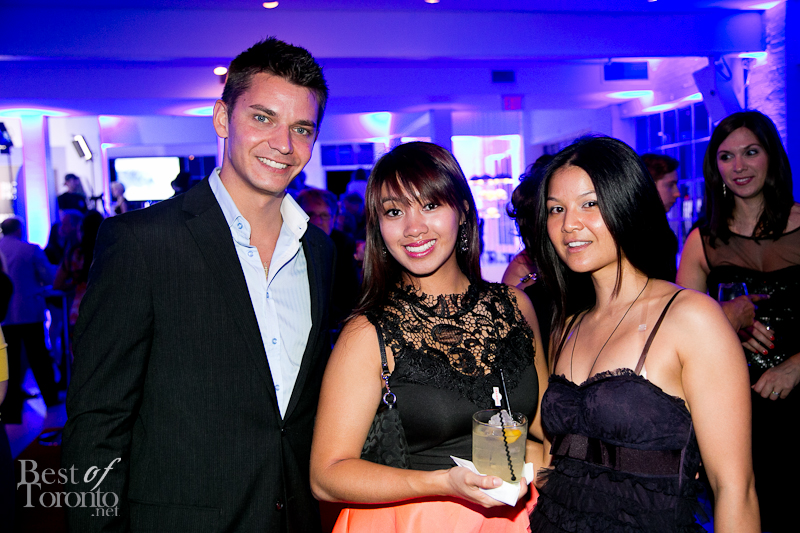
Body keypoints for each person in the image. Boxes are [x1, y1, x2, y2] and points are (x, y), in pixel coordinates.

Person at [61, 37, 335, 532]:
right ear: (222, 118)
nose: (284, 144)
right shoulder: (142, 243)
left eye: (302, 128)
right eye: (263, 118)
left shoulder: (318, 252)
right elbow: (96, 422)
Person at [522, 136, 758, 532]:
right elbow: (558, 458)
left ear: (627, 202)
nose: (568, 224)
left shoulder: (691, 318)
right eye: (556, 209)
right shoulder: (568, 324)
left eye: (589, 204)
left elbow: (735, 489)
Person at [310, 141, 549, 532]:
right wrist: (441, 483)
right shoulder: (369, 332)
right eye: (394, 211)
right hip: (412, 521)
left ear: (463, 210)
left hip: (513, 518)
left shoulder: (514, 306)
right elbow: (327, 475)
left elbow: (542, 431)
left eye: (431, 205)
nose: (413, 227)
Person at [676, 110, 797, 532]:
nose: (739, 166)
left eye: (751, 152)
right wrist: (724, 321)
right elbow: (680, 338)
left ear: (772, 156)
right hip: (734, 407)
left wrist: (796, 365)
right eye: (726, 156)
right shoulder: (702, 241)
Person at [0, 217, 59, 424]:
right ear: (19, 230)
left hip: (5, 315)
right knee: (39, 357)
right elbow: (49, 277)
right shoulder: (30, 249)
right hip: (29, 311)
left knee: (10, 363)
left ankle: (10, 409)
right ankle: (51, 399)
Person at [297, 187, 360, 331]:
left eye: (325, 215)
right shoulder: (289, 244)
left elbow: (350, 295)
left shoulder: (344, 244)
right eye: (310, 214)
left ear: (334, 219)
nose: (318, 221)